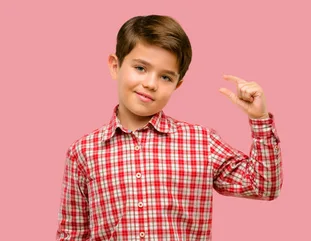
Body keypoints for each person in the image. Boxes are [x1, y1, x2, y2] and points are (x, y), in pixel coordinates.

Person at [56, 14, 282, 240]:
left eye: (165, 77)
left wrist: (259, 119)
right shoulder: (83, 152)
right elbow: (72, 234)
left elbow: (264, 186)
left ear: (177, 84)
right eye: (141, 68)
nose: (151, 84)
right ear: (116, 66)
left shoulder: (201, 143)